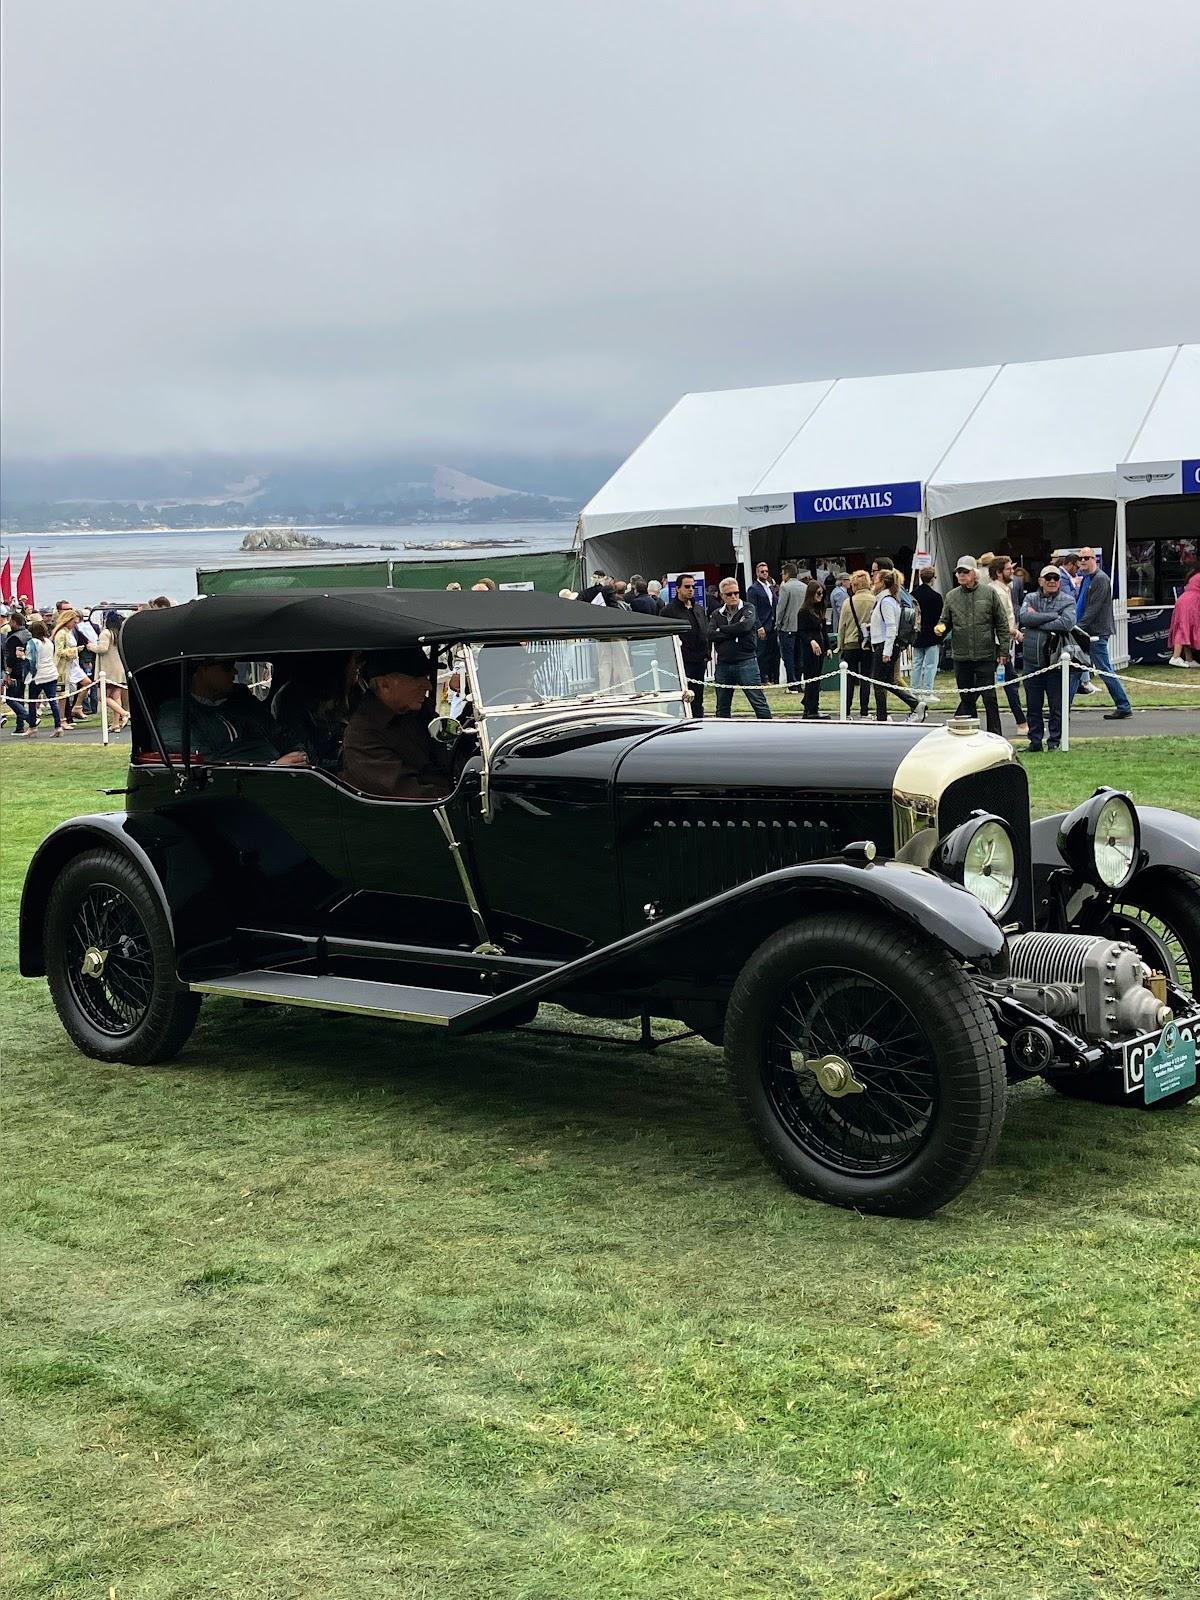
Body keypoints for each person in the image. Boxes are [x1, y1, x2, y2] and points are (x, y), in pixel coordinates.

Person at [341, 648, 453, 798]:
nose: (428, 686)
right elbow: (408, 794)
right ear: (385, 685)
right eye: (417, 678)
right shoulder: (362, 735)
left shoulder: (419, 712)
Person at [157, 658, 309, 764]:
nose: (235, 672)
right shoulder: (175, 714)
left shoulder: (244, 703)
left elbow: (280, 736)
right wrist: (271, 766)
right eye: (227, 666)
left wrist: (299, 754)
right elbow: (203, 764)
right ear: (201, 669)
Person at [934, 556, 1008, 735]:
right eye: (959, 572)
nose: (961, 575)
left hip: (985, 655)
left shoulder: (989, 593)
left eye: (965, 572)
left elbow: (1002, 623)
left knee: (990, 698)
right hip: (961, 655)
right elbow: (945, 620)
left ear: (975, 574)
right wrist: (940, 628)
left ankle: (995, 735)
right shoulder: (951, 596)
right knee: (966, 699)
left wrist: (1004, 650)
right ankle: (970, 735)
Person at [271, 651, 364, 771]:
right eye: (356, 659)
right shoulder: (292, 699)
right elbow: (306, 758)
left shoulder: (356, 692)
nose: (361, 664)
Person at [1020, 567, 1079, 752]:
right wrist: (1053, 616)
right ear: (1040, 580)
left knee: (1057, 706)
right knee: (1033, 705)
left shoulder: (1068, 600)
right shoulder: (1030, 598)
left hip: (1056, 662)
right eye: (1048, 578)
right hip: (1032, 660)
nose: (1052, 581)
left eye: (1056, 578)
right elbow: (1024, 618)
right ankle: (1035, 742)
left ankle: (1055, 742)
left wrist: (1037, 621)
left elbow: (1067, 623)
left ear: (1060, 582)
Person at [1074, 547, 1133, 718]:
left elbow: (1094, 608)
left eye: (1087, 558)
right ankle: (1061, 709)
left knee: (1104, 669)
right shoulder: (1087, 578)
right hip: (1086, 632)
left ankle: (1123, 705)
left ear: (1094, 559)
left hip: (1094, 633)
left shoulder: (1100, 579)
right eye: (1081, 558)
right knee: (1074, 671)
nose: (1083, 561)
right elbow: (1082, 604)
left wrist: (1078, 628)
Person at [709, 578, 772, 719]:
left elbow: (745, 627)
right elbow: (711, 634)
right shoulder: (716, 613)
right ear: (722, 596)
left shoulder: (748, 608)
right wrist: (733, 632)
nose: (733, 597)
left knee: (759, 702)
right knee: (722, 706)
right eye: (729, 594)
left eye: (736, 593)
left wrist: (722, 630)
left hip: (746, 661)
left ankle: (770, 732)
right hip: (724, 663)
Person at [868, 570, 925, 723]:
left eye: (876, 579)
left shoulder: (886, 601)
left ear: (882, 583)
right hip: (886, 644)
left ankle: (883, 716)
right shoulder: (889, 600)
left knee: (879, 683)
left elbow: (891, 627)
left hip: (885, 645)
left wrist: (886, 651)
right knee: (886, 682)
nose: (873, 581)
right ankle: (914, 705)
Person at [984, 558, 1029, 735]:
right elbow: (1000, 621)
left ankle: (1022, 722)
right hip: (997, 644)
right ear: (998, 572)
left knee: (993, 684)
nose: (1012, 571)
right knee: (1008, 683)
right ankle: (1022, 723)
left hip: (1003, 642)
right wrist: (1015, 633)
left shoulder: (1005, 589)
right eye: (1008, 569)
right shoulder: (998, 592)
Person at [661, 574, 711, 718]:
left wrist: (707, 654)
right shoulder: (668, 611)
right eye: (687, 586)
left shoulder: (699, 609)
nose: (691, 589)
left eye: (693, 587)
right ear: (677, 589)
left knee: (697, 697)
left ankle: (697, 723)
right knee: (677, 697)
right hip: (680, 661)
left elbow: (704, 631)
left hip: (699, 660)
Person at [836, 571, 875, 718]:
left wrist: (840, 646)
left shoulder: (848, 602)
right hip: (868, 643)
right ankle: (864, 710)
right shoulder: (874, 600)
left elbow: (842, 627)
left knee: (849, 679)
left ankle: (846, 711)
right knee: (866, 678)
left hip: (850, 643)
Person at [795, 580, 831, 719]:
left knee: (817, 678)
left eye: (822, 593)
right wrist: (811, 642)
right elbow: (801, 632)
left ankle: (812, 705)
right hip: (810, 649)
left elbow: (824, 631)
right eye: (818, 593)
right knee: (812, 677)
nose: (820, 596)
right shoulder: (804, 611)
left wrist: (827, 647)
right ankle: (810, 708)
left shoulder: (819, 610)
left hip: (820, 647)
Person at [23, 620, 64, 735]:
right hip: (51, 673)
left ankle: (32, 726)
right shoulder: (49, 642)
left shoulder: (33, 642)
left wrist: (21, 656)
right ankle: (58, 726)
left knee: (32, 701)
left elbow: (30, 660)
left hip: (38, 676)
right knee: (52, 701)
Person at [911, 567, 943, 702]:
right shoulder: (936, 597)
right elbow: (940, 616)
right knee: (930, 665)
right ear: (932, 578)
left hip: (917, 633)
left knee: (917, 663)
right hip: (932, 633)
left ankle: (914, 691)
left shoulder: (912, 595)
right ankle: (928, 692)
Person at [93, 610, 129, 731]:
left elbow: (102, 648)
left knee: (102, 696)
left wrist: (91, 647)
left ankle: (124, 713)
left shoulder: (106, 633)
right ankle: (115, 724)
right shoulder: (120, 633)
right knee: (116, 696)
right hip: (119, 668)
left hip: (108, 670)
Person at [774, 561, 806, 694]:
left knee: (789, 657)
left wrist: (778, 623)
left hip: (787, 627)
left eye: (783, 574)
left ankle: (792, 684)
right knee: (799, 656)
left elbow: (780, 608)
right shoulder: (805, 587)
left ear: (787, 574)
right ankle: (798, 682)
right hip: (801, 626)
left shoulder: (785, 587)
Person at [747, 561, 780, 688]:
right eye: (762, 571)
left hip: (773, 624)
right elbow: (752, 609)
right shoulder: (753, 589)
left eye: (766, 571)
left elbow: (775, 605)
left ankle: (774, 678)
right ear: (757, 573)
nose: (765, 573)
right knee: (762, 653)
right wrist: (759, 626)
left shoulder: (770, 587)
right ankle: (762, 678)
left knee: (774, 652)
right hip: (762, 625)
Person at [1168, 571, 1200, 667]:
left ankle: (1189, 659)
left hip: (1184, 601)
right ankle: (1175, 657)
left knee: (1186, 628)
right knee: (1183, 628)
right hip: (1190, 603)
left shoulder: (1195, 575)